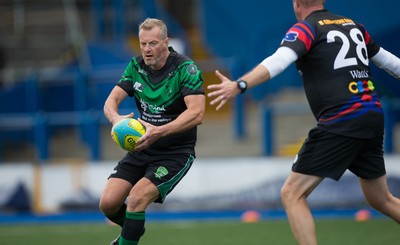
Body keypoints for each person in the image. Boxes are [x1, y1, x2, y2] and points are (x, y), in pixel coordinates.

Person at [207, 0, 400, 244]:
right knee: (380, 199)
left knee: (292, 193)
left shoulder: (306, 29)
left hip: (342, 118)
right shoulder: (354, 26)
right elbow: (391, 63)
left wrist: (240, 84)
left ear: (296, 3)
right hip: (372, 115)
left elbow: (278, 61)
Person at [99, 18, 205, 245]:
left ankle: (128, 237)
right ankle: (133, 229)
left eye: (153, 43)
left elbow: (197, 113)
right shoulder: (135, 66)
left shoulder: (186, 69)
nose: (147, 49)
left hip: (175, 153)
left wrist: (159, 131)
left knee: (137, 198)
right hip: (142, 148)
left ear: (166, 42)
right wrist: (116, 119)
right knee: (108, 203)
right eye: (143, 44)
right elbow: (110, 102)